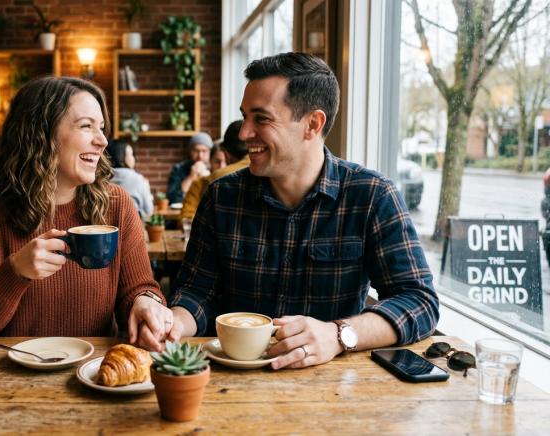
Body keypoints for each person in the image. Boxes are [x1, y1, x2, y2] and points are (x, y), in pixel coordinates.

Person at [166, 52, 439, 370]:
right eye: (244, 117)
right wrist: (173, 322)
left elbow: (420, 301)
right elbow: (196, 293)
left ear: (312, 124)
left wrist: (337, 335)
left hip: (332, 391)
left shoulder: (372, 196)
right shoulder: (221, 196)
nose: (243, 134)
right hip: (230, 383)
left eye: (262, 119)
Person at [0, 76, 171, 351]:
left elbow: (138, 289)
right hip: (6, 379)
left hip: (94, 371)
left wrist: (146, 302)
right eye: (86, 126)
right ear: (41, 134)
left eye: (101, 128)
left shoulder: (116, 204)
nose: (102, 141)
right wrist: (15, 273)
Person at [180, 120, 249, 220]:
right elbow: (185, 218)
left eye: (224, 161)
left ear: (227, 154)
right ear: (210, 162)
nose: (222, 166)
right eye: (217, 161)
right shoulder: (200, 184)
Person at [106, 139, 153, 220]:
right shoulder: (137, 179)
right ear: (121, 157)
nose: (134, 158)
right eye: (131, 154)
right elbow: (148, 212)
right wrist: (146, 186)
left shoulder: (101, 177)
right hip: (132, 228)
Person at [166, 132, 213, 204]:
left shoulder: (215, 168)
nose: (200, 156)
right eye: (196, 151)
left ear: (210, 152)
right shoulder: (179, 169)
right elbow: (173, 199)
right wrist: (190, 177)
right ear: (190, 151)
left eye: (204, 151)